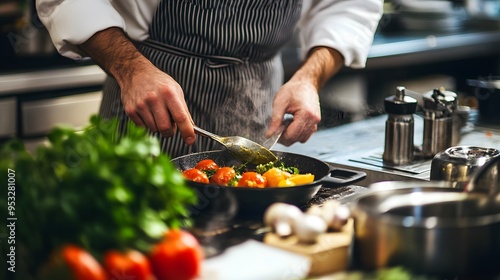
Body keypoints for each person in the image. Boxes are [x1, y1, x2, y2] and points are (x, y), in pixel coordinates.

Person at [36, 0, 383, 159]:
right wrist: (131, 70)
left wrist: (309, 78)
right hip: (148, 92)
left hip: (257, 93)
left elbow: (349, 6)